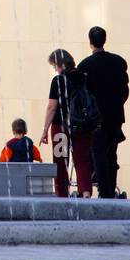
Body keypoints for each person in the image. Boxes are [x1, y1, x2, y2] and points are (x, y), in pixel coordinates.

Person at [77, 25, 129, 198]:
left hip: (96, 118)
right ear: (104, 40)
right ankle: (111, 188)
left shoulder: (85, 65)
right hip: (115, 115)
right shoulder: (118, 62)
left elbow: (83, 94)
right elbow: (124, 90)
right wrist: (116, 104)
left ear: (90, 42)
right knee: (112, 152)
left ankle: (104, 190)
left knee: (98, 153)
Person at [40, 48, 93, 197]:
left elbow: (52, 107)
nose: (55, 69)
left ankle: (61, 194)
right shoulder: (83, 77)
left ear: (59, 64)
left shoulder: (58, 81)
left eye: (54, 66)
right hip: (81, 125)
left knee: (60, 161)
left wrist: (45, 130)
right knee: (82, 159)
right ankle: (86, 192)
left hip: (60, 126)